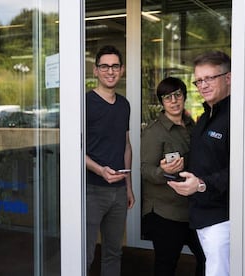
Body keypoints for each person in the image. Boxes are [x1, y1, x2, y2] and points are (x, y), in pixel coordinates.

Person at [167, 51, 231, 276]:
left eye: (209, 78)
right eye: (198, 80)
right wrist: (178, 169)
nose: (202, 85)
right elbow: (206, 160)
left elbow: (242, 171)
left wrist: (202, 184)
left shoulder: (237, 116)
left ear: (228, 78)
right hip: (201, 215)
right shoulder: (205, 117)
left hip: (223, 219)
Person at [140, 77, 205, 276]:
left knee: (207, 258)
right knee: (166, 266)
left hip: (192, 209)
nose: (174, 101)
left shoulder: (193, 126)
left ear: (184, 96)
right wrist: (164, 171)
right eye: (167, 97)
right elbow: (144, 169)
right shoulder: (154, 132)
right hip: (165, 212)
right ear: (162, 102)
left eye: (177, 95)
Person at [86, 45, 135, 276]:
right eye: (104, 66)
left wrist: (128, 187)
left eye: (115, 66)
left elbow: (126, 145)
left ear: (122, 70)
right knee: (84, 254)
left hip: (117, 192)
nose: (110, 71)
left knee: (114, 252)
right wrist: (99, 170)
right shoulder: (84, 103)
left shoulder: (124, 105)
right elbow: (72, 149)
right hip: (91, 191)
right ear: (95, 71)